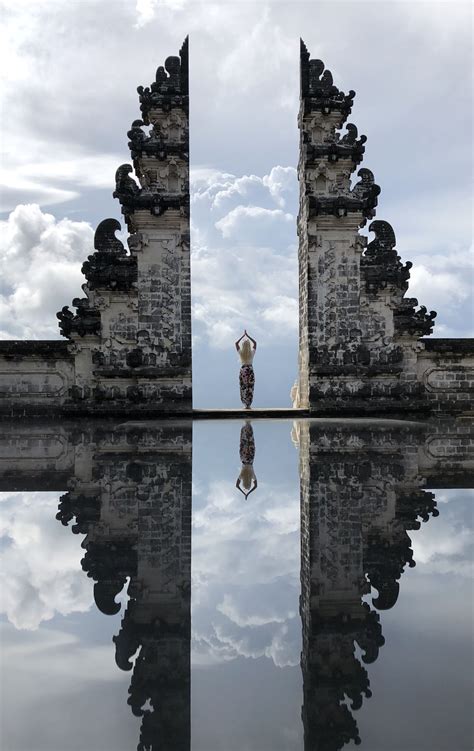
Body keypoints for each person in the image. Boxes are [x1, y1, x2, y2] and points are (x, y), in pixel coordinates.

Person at [235, 330, 257, 409]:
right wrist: (247, 336)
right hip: (250, 370)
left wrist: (242, 336)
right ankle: (249, 404)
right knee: (250, 387)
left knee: (243, 387)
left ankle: (245, 404)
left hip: (243, 370)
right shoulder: (252, 353)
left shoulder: (241, 353)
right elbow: (255, 343)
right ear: (249, 346)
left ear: (243, 346)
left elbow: (236, 343)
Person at [236, 421, 257, 499]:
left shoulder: (252, 475)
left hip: (250, 458)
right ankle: (245, 425)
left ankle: (248, 425)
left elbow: (256, 486)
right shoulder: (242, 475)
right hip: (244, 457)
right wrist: (245, 494)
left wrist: (248, 494)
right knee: (243, 441)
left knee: (250, 440)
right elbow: (237, 485)